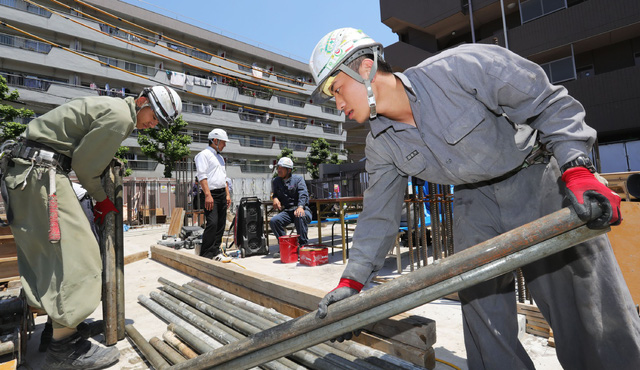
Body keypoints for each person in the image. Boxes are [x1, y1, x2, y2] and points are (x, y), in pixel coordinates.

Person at [309, 28, 640, 369]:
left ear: (364, 70)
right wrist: (352, 282)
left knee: (588, 308)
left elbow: (548, 103)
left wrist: (577, 169)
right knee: (484, 317)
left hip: (535, 176)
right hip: (473, 202)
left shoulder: (460, 68)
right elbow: (378, 216)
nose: (338, 104)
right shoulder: (381, 145)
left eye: (336, 90)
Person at [0, 85, 182, 369]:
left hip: (27, 171)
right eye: (154, 116)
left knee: (53, 257)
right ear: (143, 101)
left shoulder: (112, 108)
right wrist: (101, 198)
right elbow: (85, 167)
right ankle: (65, 349)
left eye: (158, 122)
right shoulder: (121, 117)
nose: (152, 124)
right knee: (80, 258)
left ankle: (57, 329)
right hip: (40, 173)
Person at [194, 128, 232, 262]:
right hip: (211, 194)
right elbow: (202, 176)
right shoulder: (203, 155)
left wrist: (227, 195)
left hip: (221, 193)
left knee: (221, 224)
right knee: (212, 223)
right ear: (215, 141)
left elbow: (224, 178)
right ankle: (206, 254)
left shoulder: (220, 158)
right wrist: (208, 195)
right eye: (223, 142)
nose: (224, 145)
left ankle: (216, 251)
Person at [269, 157, 312, 258]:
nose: (279, 170)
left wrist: (300, 206)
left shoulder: (298, 179)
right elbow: (275, 194)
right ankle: (287, 247)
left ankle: (303, 246)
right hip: (288, 212)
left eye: (282, 168)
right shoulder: (276, 181)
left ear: (289, 170)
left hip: (303, 210)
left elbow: (303, 194)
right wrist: (274, 198)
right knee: (274, 221)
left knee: (299, 215)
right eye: (278, 168)